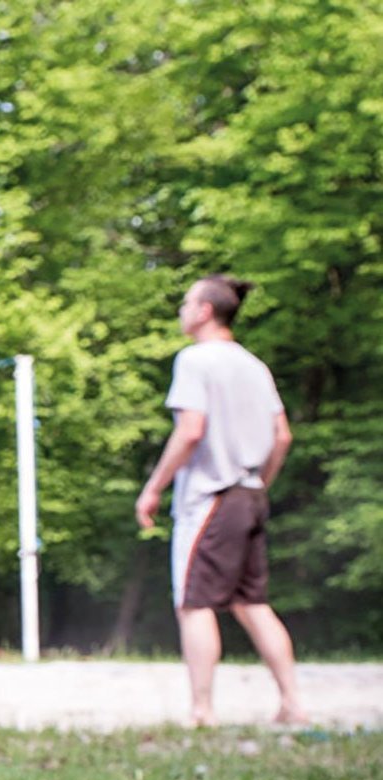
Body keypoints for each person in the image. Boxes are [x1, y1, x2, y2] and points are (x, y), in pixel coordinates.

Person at [135, 274, 305, 727]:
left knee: (194, 603)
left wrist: (154, 487)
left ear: (205, 311)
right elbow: (282, 435)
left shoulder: (196, 360)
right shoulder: (253, 365)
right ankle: (291, 702)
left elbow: (190, 430)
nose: (181, 310)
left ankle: (201, 711)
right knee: (252, 603)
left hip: (211, 495)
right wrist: (259, 482)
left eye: (186, 302)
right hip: (249, 492)